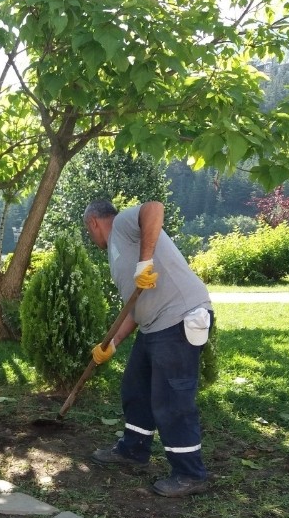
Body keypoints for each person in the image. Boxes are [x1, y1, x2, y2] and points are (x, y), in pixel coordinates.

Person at [83, 199, 214, 498]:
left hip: (179, 317)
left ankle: (189, 473)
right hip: (153, 324)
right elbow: (134, 307)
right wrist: (112, 344)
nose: (92, 238)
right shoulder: (117, 250)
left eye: (89, 231)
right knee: (136, 387)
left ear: (93, 222)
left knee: (171, 399)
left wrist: (146, 261)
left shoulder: (122, 224)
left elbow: (153, 208)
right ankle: (133, 450)